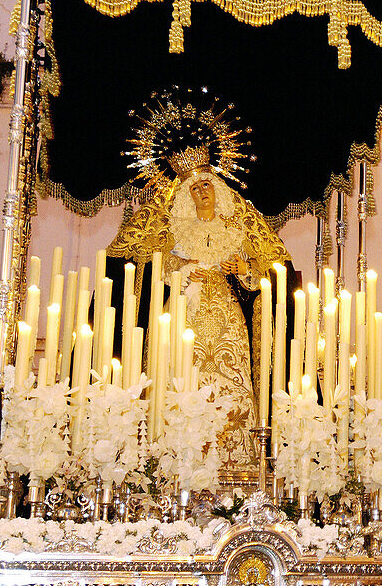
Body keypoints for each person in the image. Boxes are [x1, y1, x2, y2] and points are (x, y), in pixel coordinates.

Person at [109, 148, 291, 474]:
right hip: (183, 309)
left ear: (216, 188)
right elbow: (155, 271)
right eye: (194, 189)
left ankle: (236, 464)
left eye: (206, 185)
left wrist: (241, 267)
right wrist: (180, 270)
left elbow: (261, 277)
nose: (201, 192)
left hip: (226, 317)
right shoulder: (176, 228)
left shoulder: (236, 226)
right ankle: (168, 463)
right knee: (175, 381)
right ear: (185, 196)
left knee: (232, 385)